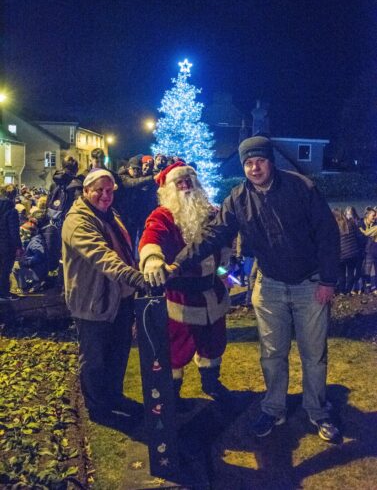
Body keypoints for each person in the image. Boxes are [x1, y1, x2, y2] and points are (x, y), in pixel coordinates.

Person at [146, 136, 341, 443]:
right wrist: (177, 264)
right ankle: (274, 408)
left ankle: (317, 410)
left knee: (313, 353)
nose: (254, 168)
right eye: (248, 163)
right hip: (270, 284)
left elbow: (328, 234)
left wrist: (328, 280)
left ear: (270, 161)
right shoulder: (238, 198)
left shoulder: (301, 187)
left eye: (259, 161)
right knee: (272, 353)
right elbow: (211, 235)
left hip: (310, 283)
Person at [139, 162, 231, 410]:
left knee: (213, 343)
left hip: (212, 292)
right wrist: (152, 259)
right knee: (175, 349)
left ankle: (211, 383)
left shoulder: (211, 213)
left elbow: (224, 243)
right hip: (180, 296)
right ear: (169, 190)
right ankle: (173, 394)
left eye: (189, 183)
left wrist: (224, 268)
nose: (186, 189)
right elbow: (151, 237)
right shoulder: (162, 216)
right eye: (179, 184)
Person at [62, 168, 147, 425]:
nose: (105, 195)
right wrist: (135, 278)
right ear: (86, 191)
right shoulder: (78, 220)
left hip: (118, 299)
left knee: (118, 353)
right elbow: (102, 256)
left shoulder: (110, 214)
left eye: (109, 191)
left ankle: (114, 397)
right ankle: (98, 410)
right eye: (99, 190)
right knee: (95, 358)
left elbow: (125, 250)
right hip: (93, 300)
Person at [0, 184, 23, 301]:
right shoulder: (11, 211)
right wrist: (18, 247)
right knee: (5, 269)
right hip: (6, 246)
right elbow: (14, 231)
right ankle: (3, 293)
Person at [332, 208, 360, 296]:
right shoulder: (351, 223)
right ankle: (348, 291)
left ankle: (342, 291)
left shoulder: (334, 226)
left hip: (341, 254)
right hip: (353, 253)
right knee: (351, 273)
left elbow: (332, 242)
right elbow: (357, 236)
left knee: (341, 274)